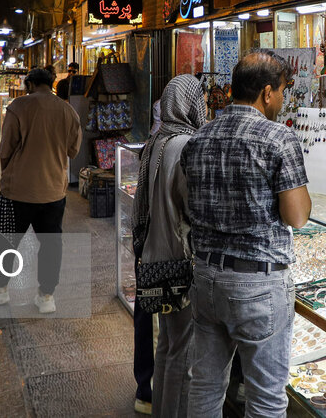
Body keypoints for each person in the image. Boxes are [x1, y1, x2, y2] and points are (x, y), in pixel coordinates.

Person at [181, 50, 311, 418]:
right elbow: (297, 216)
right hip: (257, 284)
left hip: (206, 278)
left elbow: (187, 201)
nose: (283, 100)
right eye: (283, 91)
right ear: (267, 93)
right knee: (266, 399)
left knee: (205, 386)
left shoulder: (199, 137)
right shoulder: (278, 139)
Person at [0, 68, 82, 314]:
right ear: (51, 83)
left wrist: (8, 175)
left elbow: (6, 150)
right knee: (51, 243)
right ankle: (46, 295)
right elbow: (72, 151)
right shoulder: (68, 111)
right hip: (54, 191)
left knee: (5, 240)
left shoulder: (18, 107)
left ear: (31, 84)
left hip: (17, 191)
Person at [132, 76, 206, 417]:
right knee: (183, 352)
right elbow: (193, 209)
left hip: (156, 255)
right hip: (182, 259)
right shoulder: (187, 145)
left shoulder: (157, 141)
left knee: (166, 345)